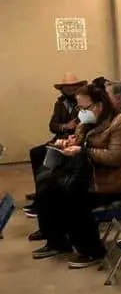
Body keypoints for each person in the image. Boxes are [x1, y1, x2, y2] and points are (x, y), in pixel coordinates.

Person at [32, 84, 121, 268]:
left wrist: (83, 151)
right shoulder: (92, 122)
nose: (81, 112)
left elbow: (116, 157)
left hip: (115, 180)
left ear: (99, 105)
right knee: (50, 187)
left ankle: (92, 251)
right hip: (94, 174)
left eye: (84, 108)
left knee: (73, 198)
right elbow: (83, 143)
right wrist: (71, 142)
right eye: (79, 107)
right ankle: (57, 240)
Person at [24, 73, 86, 220]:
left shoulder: (83, 102)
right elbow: (53, 125)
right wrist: (65, 126)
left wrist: (72, 132)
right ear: (62, 89)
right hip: (60, 139)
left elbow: (83, 123)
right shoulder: (60, 103)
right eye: (67, 87)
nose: (70, 89)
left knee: (48, 160)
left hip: (73, 141)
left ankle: (43, 200)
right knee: (35, 153)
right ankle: (40, 194)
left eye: (73, 86)